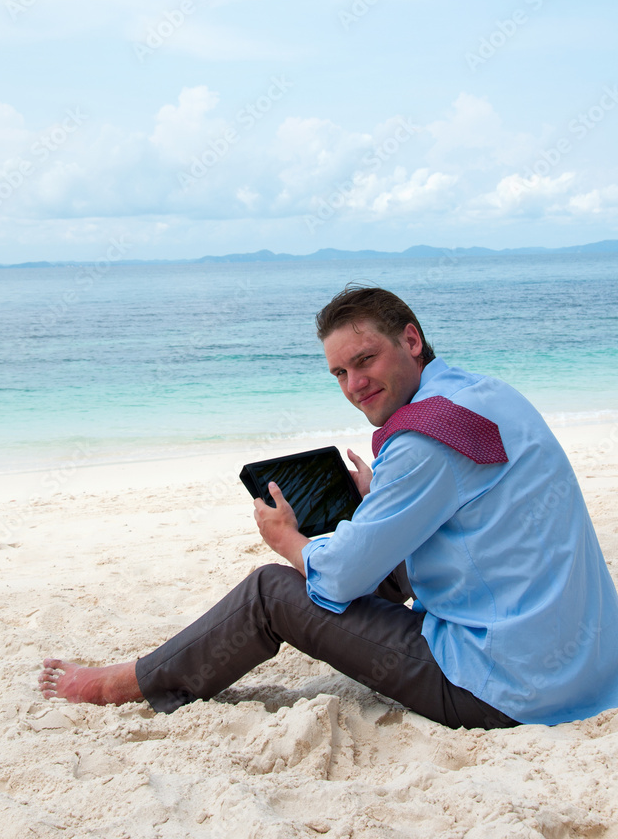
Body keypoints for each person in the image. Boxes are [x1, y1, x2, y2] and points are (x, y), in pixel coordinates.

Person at [39, 285, 618, 729]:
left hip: (508, 687)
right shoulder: (487, 393)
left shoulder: (422, 443)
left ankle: (123, 684)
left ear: (410, 341)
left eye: (364, 361)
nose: (353, 384)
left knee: (271, 590)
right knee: (365, 545)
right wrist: (379, 501)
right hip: (588, 669)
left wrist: (287, 540)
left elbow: (338, 580)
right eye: (339, 372)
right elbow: (471, 506)